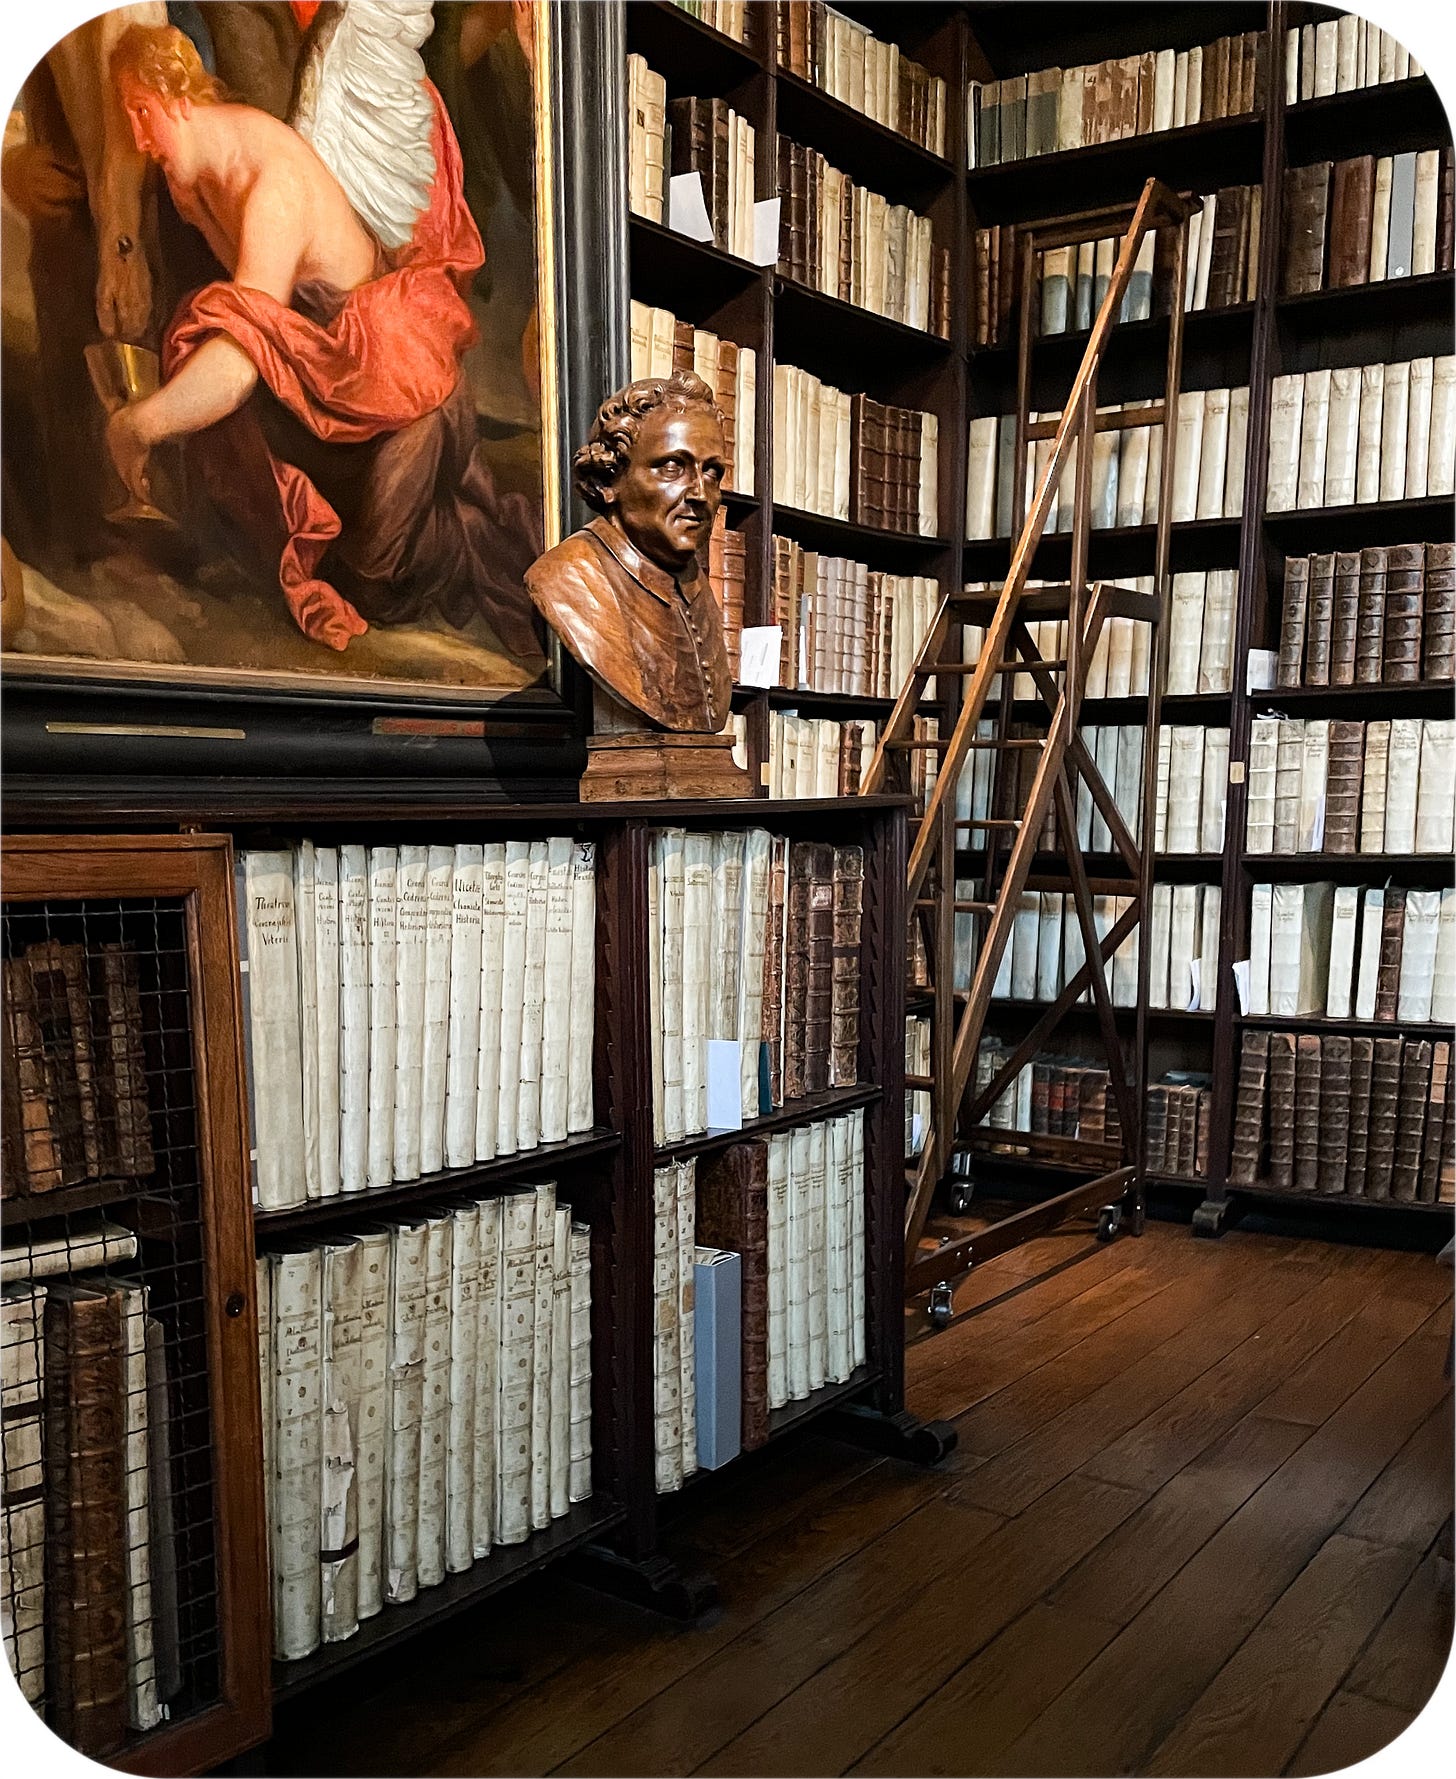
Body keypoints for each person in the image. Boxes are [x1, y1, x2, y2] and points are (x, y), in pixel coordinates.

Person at [102, 20, 542, 659]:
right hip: (319, 365)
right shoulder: (189, 176)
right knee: (202, 325)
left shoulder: (270, 186)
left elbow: (239, 365)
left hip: (386, 377)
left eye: (143, 114)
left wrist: (135, 425)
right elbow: (259, 329)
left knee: (385, 582)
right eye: (129, 119)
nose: (141, 139)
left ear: (176, 94)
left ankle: (455, 536)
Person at [525, 371, 733, 733]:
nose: (700, 494)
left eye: (711, 472)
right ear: (610, 481)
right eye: (672, 467)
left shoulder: (696, 585)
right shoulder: (567, 576)